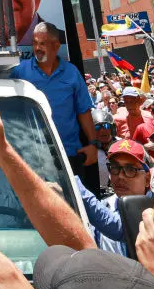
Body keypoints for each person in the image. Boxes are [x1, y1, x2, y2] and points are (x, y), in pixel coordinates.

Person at [9, 22, 97, 179]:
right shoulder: (20, 72)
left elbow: (83, 110)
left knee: (72, 204)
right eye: (34, 43)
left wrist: (92, 144)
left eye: (42, 43)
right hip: (33, 156)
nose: (37, 48)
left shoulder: (71, 72)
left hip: (69, 154)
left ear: (56, 45)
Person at [77, 139, 152, 256]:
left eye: (131, 169)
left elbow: (121, 227)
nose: (120, 176)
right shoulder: (104, 205)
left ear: (147, 179)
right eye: (114, 167)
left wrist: (73, 183)